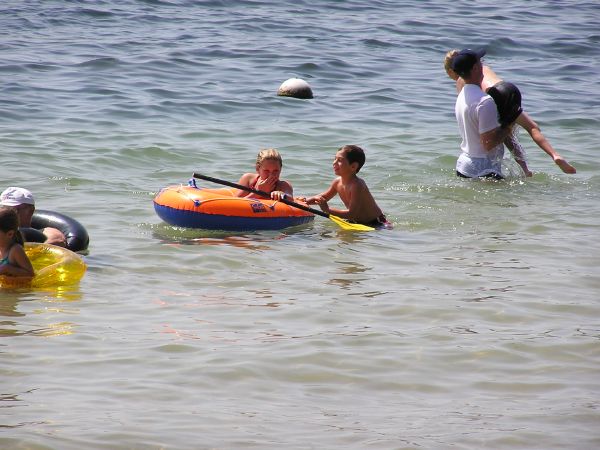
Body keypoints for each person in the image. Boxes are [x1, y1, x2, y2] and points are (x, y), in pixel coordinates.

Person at [444, 49, 576, 175]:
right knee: (532, 127)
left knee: (505, 133)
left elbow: (471, 113)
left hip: (495, 95)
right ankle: (554, 155)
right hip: (507, 88)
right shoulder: (481, 67)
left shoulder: (464, 84)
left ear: (453, 71)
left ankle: (524, 169)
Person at [448, 49, 512, 179]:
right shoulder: (484, 101)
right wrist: (509, 125)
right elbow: (488, 143)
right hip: (483, 169)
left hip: (464, 165)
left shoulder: (462, 95)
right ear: (476, 68)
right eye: (480, 62)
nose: (483, 65)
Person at [304, 145, 388, 227]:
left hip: (376, 222)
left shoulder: (357, 185)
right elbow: (324, 197)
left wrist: (327, 210)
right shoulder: (337, 182)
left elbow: (351, 214)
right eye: (335, 159)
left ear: (353, 166)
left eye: (339, 160)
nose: (334, 162)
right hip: (354, 221)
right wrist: (305, 201)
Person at [0, 187, 67, 247]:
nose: (8, 214)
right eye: (4, 208)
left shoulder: (45, 232)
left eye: (13, 209)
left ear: (31, 210)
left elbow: (58, 240)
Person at [0, 206, 34, 278]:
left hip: (17, 285)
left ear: (10, 234)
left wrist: (7, 269)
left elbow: (30, 274)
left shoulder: (15, 250)